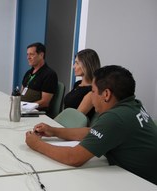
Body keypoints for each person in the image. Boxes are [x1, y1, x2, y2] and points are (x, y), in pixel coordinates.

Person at [25, 65, 157, 185]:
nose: (91, 96)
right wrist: (54, 131)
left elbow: (74, 158)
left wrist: (36, 144)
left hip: (142, 183)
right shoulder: (133, 104)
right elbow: (93, 132)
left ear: (106, 94)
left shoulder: (115, 118)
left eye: (93, 91)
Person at [21, 42, 58, 114]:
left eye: (31, 54)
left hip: (35, 112)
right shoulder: (28, 73)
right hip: (22, 108)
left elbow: (45, 102)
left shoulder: (49, 74)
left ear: (41, 55)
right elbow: (21, 92)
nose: (28, 57)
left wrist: (26, 107)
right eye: (27, 54)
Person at [63, 49, 100, 120]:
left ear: (87, 65)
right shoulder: (78, 84)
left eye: (77, 63)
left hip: (71, 126)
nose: (74, 66)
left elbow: (76, 119)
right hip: (65, 121)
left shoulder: (92, 91)